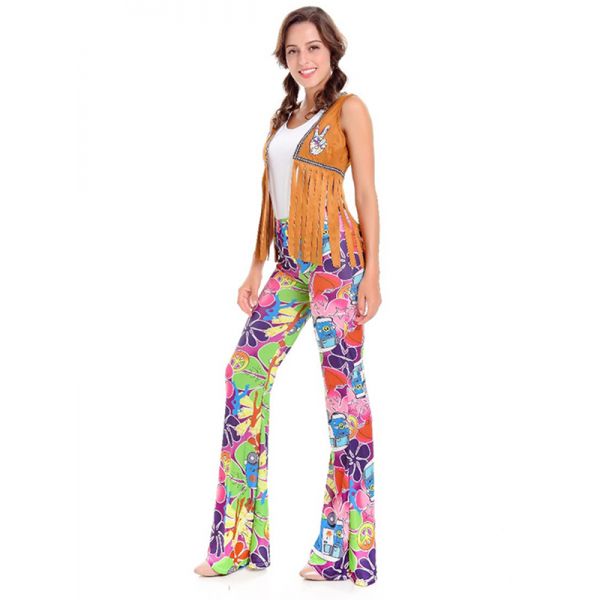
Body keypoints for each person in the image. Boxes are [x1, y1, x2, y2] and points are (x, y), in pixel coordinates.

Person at [194, 6, 381, 587]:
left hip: (337, 265)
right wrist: (255, 267)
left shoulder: (350, 110)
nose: (304, 59)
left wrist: (373, 274)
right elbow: (270, 198)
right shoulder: (285, 118)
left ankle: (345, 551)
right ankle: (237, 540)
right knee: (244, 372)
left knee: (343, 401)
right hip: (289, 264)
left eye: (313, 48)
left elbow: (367, 194)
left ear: (332, 51)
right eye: (294, 51)